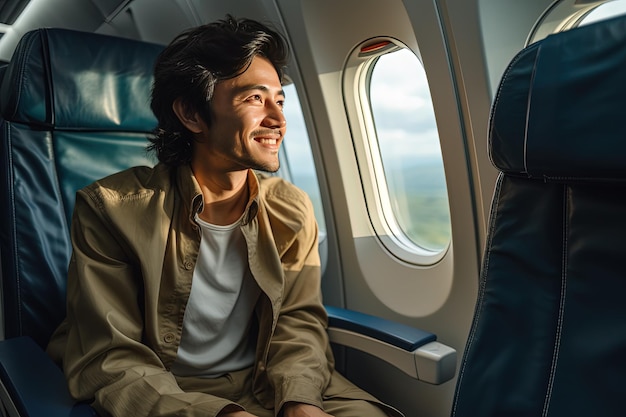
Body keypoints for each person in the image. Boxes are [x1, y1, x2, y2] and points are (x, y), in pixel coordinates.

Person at [47, 15, 403, 417]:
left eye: (280, 101)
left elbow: (296, 323)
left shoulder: (291, 208)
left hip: (267, 380)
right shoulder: (110, 209)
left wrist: (300, 401)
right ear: (191, 114)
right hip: (170, 390)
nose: (278, 119)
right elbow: (111, 358)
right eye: (254, 98)